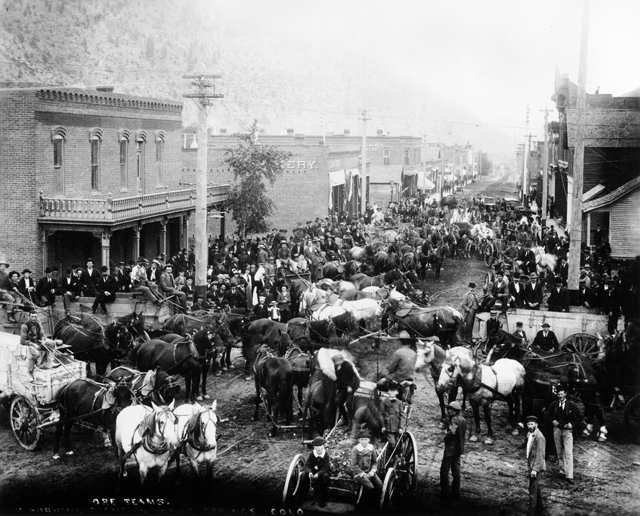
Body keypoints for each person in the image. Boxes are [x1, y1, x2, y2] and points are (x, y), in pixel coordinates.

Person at [547, 384, 579, 484]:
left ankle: (569, 475)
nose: (560, 396)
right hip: (557, 430)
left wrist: (572, 424)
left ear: (565, 394)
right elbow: (547, 414)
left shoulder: (572, 405)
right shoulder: (554, 404)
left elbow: (579, 417)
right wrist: (552, 421)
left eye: (562, 394)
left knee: (568, 452)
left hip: (567, 431)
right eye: (558, 394)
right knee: (559, 451)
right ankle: (562, 470)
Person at [377, 331, 417, 402]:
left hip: (398, 378)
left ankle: (385, 402)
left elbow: (391, 368)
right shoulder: (414, 353)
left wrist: (383, 375)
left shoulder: (398, 352)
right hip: (410, 378)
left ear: (400, 342)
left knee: (379, 382)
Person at [440, 401, 466, 502]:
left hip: (450, 449)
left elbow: (452, 432)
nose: (448, 411)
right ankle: (456, 493)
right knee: (456, 471)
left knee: (444, 470)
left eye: (450, 409)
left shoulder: (454, 420)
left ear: (455, 411)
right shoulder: (463, 420)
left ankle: (444, 492)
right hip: (459, 449)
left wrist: (445, 435)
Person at [525, 415, 546, 516]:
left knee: (532, 491)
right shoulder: (529, 434)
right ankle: (540, 508)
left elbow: (540, 454)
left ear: (536, 425)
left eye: (532, 424)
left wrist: (535, 469)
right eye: (528, 424)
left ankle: (531, 512)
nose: (530, 426)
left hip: (535, 467)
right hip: (531, 465)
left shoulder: (539, 437)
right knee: (535, 487)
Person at [305, 436, 331, 507]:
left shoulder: (325, 455)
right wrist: (309, 472)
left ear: (323, 446)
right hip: (313, 472)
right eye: (316, 447)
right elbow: (307, 465)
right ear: (314, 447)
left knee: (324, 478)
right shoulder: (312, 454)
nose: (318, 448)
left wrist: (318, 474)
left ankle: (323, 499)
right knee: (305, 476)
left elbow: (326, 467)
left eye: (320, 446)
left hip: (323, 472)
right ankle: (309, 496)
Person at [20, 311, 45, 377]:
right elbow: (22, 341)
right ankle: (30, 371)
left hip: (37, 342)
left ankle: (45, 364)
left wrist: (42, 340)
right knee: (36, 354)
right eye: (32, 316)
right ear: (29, 317)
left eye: (35, 317)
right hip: (30, 343)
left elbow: (41, 335)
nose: (34, 318)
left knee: (52, 344)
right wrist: (33, 344)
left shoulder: (37, 324)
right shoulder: (25, 326)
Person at [381, 384, 403, 449]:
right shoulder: (384, 401)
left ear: (397, 392)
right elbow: (381, 415)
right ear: (388, 391)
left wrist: (401, 427)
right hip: (388, 427)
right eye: (391, 391)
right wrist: (383, 426)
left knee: (399, 444)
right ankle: (391, 456)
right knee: (393, 443)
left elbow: (402, 415)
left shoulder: (399, 402)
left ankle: (396, 456)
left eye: (394, 391)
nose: (392, 393)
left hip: (397, 427)